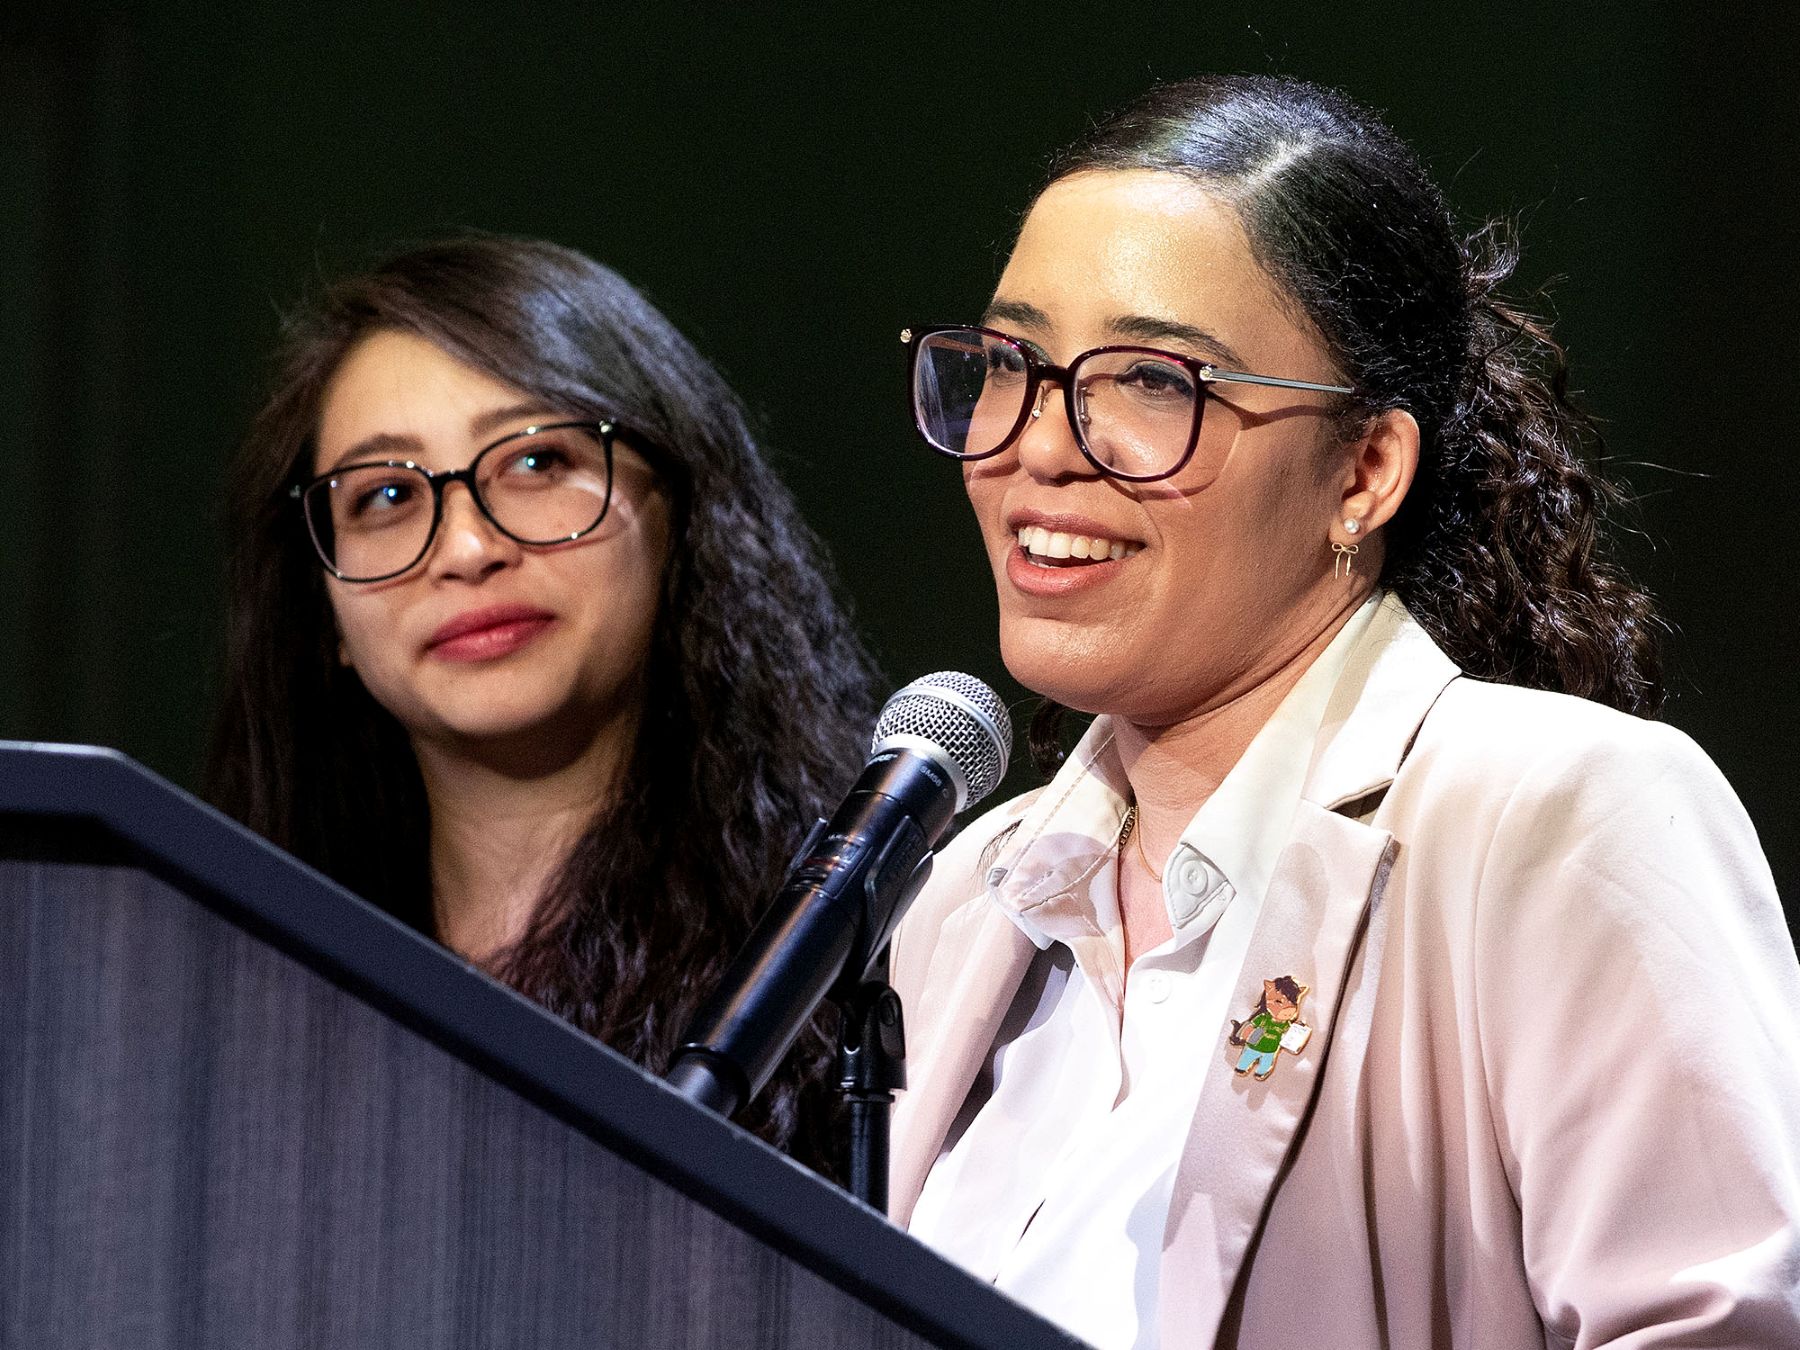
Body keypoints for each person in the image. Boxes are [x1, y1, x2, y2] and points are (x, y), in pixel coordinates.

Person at [887, 75, 1800, 1347]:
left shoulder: (1554, 819)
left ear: (1365, 469)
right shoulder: (964, 899)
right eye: (1011, 365)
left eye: (1152, 381)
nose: (1040, 444)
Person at [207, 235, 880, 1174]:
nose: (467, 547)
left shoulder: (859, 969)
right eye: (388, 495)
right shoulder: (226, 1000)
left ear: (684, 516)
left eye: (534, 463)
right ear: (321, 608)